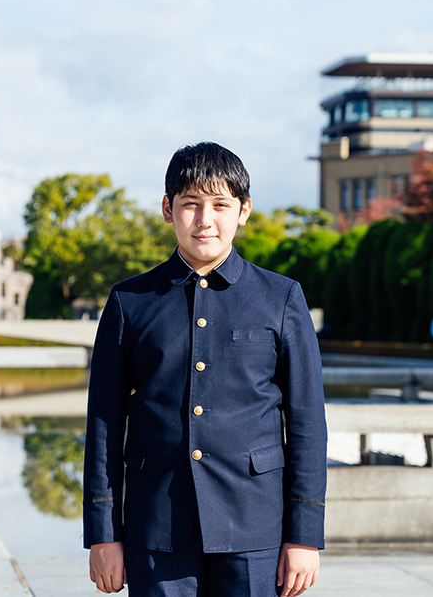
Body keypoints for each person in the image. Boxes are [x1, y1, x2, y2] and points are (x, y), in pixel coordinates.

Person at [84, 142, 327, 597]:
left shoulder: (282, 298)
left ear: (244, 210)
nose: (204, 219)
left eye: (220, 204)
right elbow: (103, 424)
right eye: (190, 204)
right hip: (155, 526)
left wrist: (304, 535)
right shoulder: (129, 302)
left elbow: (308, 423)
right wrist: (103, 531)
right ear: (166, 209)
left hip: (255, 527)